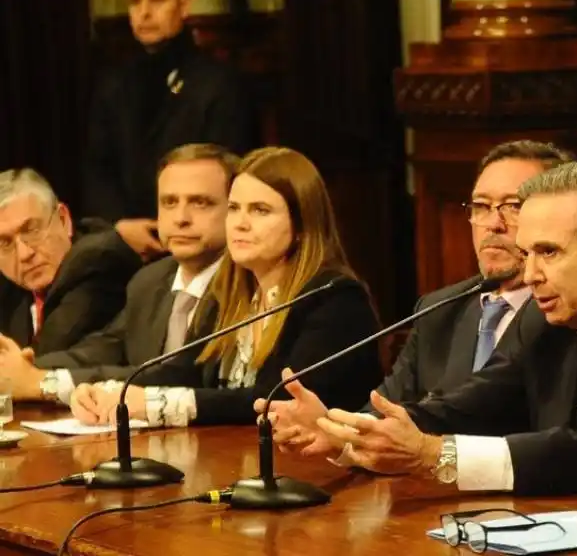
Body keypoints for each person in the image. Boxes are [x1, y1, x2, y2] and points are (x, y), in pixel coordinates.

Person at [259, 161, 577, 496]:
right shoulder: (545, 316)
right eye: (526, 253)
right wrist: (344, 431)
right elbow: (470, 406)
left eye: (549, 252)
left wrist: (434, 457)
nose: (531, 274)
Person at [70, 147, 383, 427]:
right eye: (234, 208)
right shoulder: (229, 295)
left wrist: (156, 405)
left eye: (260, 210)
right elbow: (183, 371)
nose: (240, 223)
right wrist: (111, 392)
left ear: (302, 226)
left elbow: (276, 401)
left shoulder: (334, 300)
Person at [0, 144, 236, 402]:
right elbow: (99, 350)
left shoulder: (243, 286)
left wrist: (43, 382)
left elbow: (176, 376)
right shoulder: (150, 280)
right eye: (169, 202)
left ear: (233, 210)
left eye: (200, 203)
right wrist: (21, 368)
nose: (180, 218)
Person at [376, 141, 572, 405]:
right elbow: (383, 407)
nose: (493, 225)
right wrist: (334, 429)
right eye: (481, 206)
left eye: (514, 206)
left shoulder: (566, 311)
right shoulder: (439, 311)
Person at [84, 0, 258, 259]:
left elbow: (229, 173)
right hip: (122, 243)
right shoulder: (114, 84)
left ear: (184, 5)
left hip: (200, 244)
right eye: (134, 2)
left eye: (156, 0)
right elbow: (98, 166)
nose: (144, 13)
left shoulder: (221, 85)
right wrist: (118, 225)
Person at [0, 168, 139, 374]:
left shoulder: (97, 261)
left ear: (64, 220)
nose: (23, 254)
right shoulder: (18, 291)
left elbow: (39, 361)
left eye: (31, 230)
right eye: (5, 243)